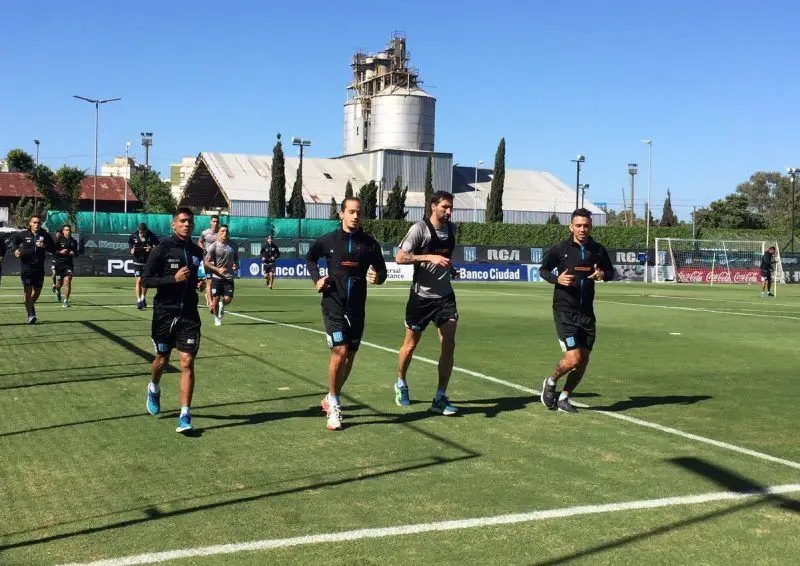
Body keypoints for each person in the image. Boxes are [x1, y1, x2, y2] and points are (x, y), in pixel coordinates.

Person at [305, 197, 387, 431]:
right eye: (351, 212)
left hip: (357, 308)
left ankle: (330, 397)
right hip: (333, 306)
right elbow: (310, 258)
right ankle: (335, 406)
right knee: (339, 353)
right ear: (341, 214)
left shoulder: (370, 244)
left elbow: (381, 271)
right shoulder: (329, 241)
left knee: (349, 357)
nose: (355, 216)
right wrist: (317, 279)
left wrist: (378, 278)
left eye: (359, 213)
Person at [539, 208, 614, 414]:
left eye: (586, 225)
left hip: (587, 313)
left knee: (584, 361)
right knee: (573, 359)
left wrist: (601, 274)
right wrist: (557, 279)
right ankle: (551, 381)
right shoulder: (560, 249)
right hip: (565, 310)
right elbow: (543, 270)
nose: (582, 229)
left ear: (591, 226)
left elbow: (610, 272)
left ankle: (564, 397)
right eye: (578, 225)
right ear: (571, 226)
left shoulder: (597, 250)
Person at [394, 190, 461, 416]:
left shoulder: (452, 229)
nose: (449, 211)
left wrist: (451, 269)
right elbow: (400, 257)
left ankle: (440, 397)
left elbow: (446, 258)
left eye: (451, 207)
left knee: (449, 343)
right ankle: (401, 382)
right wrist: (428, 257)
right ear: (433, 206)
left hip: (445, 297)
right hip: (421, 298)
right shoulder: (419, 229)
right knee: (410, 345)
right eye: (445, 207)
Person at [141, 207, 205, 433]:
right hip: (164, 313)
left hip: (189, 313)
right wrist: (173, 279)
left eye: (190, 222)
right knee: (162, 359)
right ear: (173, 224)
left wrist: (199, 283)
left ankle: (185, 415)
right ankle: (154, 387)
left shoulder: (197, 252)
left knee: (187, 361)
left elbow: (199, 276)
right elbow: (146, 280)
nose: (187, 225)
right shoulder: (162, 249)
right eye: (183, 221)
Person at [11, 214, 57, 324]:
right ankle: (31, 315)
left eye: (39, 223)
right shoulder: (23, 234)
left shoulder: (45, 235)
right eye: (35, 222)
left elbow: (53, 248)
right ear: (30, 223)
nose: (37, 224)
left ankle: (29, 305)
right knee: (27, 291)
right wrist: (16, 251)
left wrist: (44, 246)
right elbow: (15, 242)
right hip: (26, 268)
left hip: (39, 269)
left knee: (36, 294)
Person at [204, 224, 239, 326]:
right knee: (215, 299)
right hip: (217, 277)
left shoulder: (233, 245)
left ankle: (222, 304)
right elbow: (207, 262)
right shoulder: (213, 246)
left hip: (229, 276)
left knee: (228, 299)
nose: (225, 233)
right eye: (222, 231)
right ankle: (216, 318)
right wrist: (217, 269)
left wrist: (236, 265)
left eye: (226, 231)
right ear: (218, 233)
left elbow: (236, 258)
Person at [129, 223, 159, 310]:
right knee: (138, 280)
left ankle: (143, 298)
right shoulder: (133, 235)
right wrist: (131, 249)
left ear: (146, 230)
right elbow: (130, 244)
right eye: (140, 232)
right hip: (137, 261)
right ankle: (138, 301)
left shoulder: (152, 236)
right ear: (138, 230)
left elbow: (159, 247)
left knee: (145, 281)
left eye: (143, 232)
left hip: (148, 261)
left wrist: (151, 249)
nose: (142, 233)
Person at [50, 224, 79, 307]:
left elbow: (76, 253)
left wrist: (74, 253)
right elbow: (53, 251)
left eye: (69, 230)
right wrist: (60, 252)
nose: (68, 231)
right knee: (59, 284)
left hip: (68, 265)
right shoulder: (59, 240)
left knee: (68, 280)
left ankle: (65, 301)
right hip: (59, 264)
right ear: (63, 231)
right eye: (66, 230)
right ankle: (57, 290)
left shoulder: (74, 241)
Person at [197, 215, 220, 310]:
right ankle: (210, 302)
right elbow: (200, 242)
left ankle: (210, 296)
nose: (215, 223)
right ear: (210, 222)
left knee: (217, 281)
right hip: (207, 260)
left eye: (217, 221)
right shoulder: (205, 233)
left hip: (218, 260)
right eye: (214, 221)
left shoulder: (221, 232)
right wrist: (203, 249)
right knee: (209, 280)